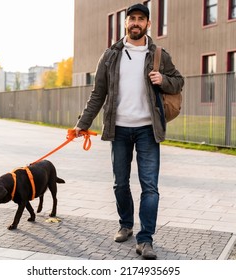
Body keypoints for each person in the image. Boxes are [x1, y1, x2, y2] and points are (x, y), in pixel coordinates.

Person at [74, 3, 184, 259]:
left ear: (148, 24)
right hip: (119, 129)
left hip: (148, 129)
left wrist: (163, 80)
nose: (136, 22)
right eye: (132, 19)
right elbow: (98, 93)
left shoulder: (159, 55)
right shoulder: (110, 55)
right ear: (125, 23)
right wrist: (83, 123)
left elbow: (179, 81)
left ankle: (145, 240)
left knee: (150, 187)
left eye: (141, 19)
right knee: (120, 183)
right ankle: (126, 224)